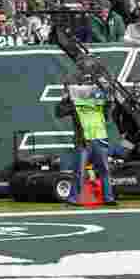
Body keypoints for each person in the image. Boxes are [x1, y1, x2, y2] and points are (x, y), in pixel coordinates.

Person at [57, 75, 116, 206]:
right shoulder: (74, 102)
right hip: (83, 141)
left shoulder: (98, 98)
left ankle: (109, 198)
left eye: (89, 83)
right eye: (84, 83)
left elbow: (106, 116)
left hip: (99, 138)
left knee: (104, 170)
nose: (87, 85)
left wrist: (110, 102)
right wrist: (65, 98)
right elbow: (59, 112)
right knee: (79, 171)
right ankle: (74, 199)